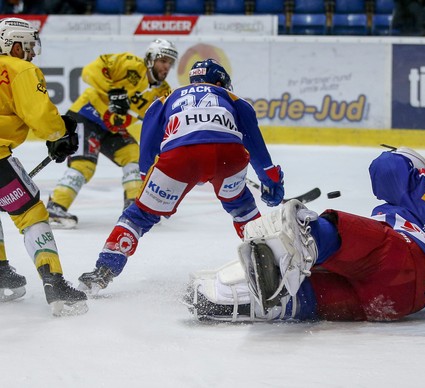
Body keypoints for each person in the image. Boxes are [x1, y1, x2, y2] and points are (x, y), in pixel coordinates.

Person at [183, 147, 425, 322]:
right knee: (316, 297)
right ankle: (236, 303)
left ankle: (305, 237)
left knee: (329, 231)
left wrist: (411, 160)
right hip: (403, 303)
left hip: (398, 252)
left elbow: (386, 169)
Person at [77, 58, 285, 295]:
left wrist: (146, 175)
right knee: (242, 208)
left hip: (180, 156)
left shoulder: (166, 98)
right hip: (230, 155)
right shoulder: (234, 99)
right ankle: (271, 268)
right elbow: (254, 143)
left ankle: (103, 271)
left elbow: (148, 140)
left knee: (139, 215)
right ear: (220, 82)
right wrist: (270, 179)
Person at [0, 18, 87, 316]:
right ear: (12, 43)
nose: (32, 53)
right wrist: (61, 132)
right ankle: (54, 281)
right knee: (30, 213)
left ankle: (0, 274)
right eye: (27, 46)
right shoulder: (19, 69)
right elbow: (40, 117)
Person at [46, 38, 179, 228]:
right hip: (86, 116)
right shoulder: (129, 64)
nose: (166, 67)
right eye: (163, 61)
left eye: (170, 63)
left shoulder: (163, 92)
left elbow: (163, 122)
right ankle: (55, 206)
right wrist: (113, 90)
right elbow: (89, 72)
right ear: (150, 59)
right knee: (84, 165)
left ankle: (136, 205)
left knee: (134, 155)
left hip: (112, 128)